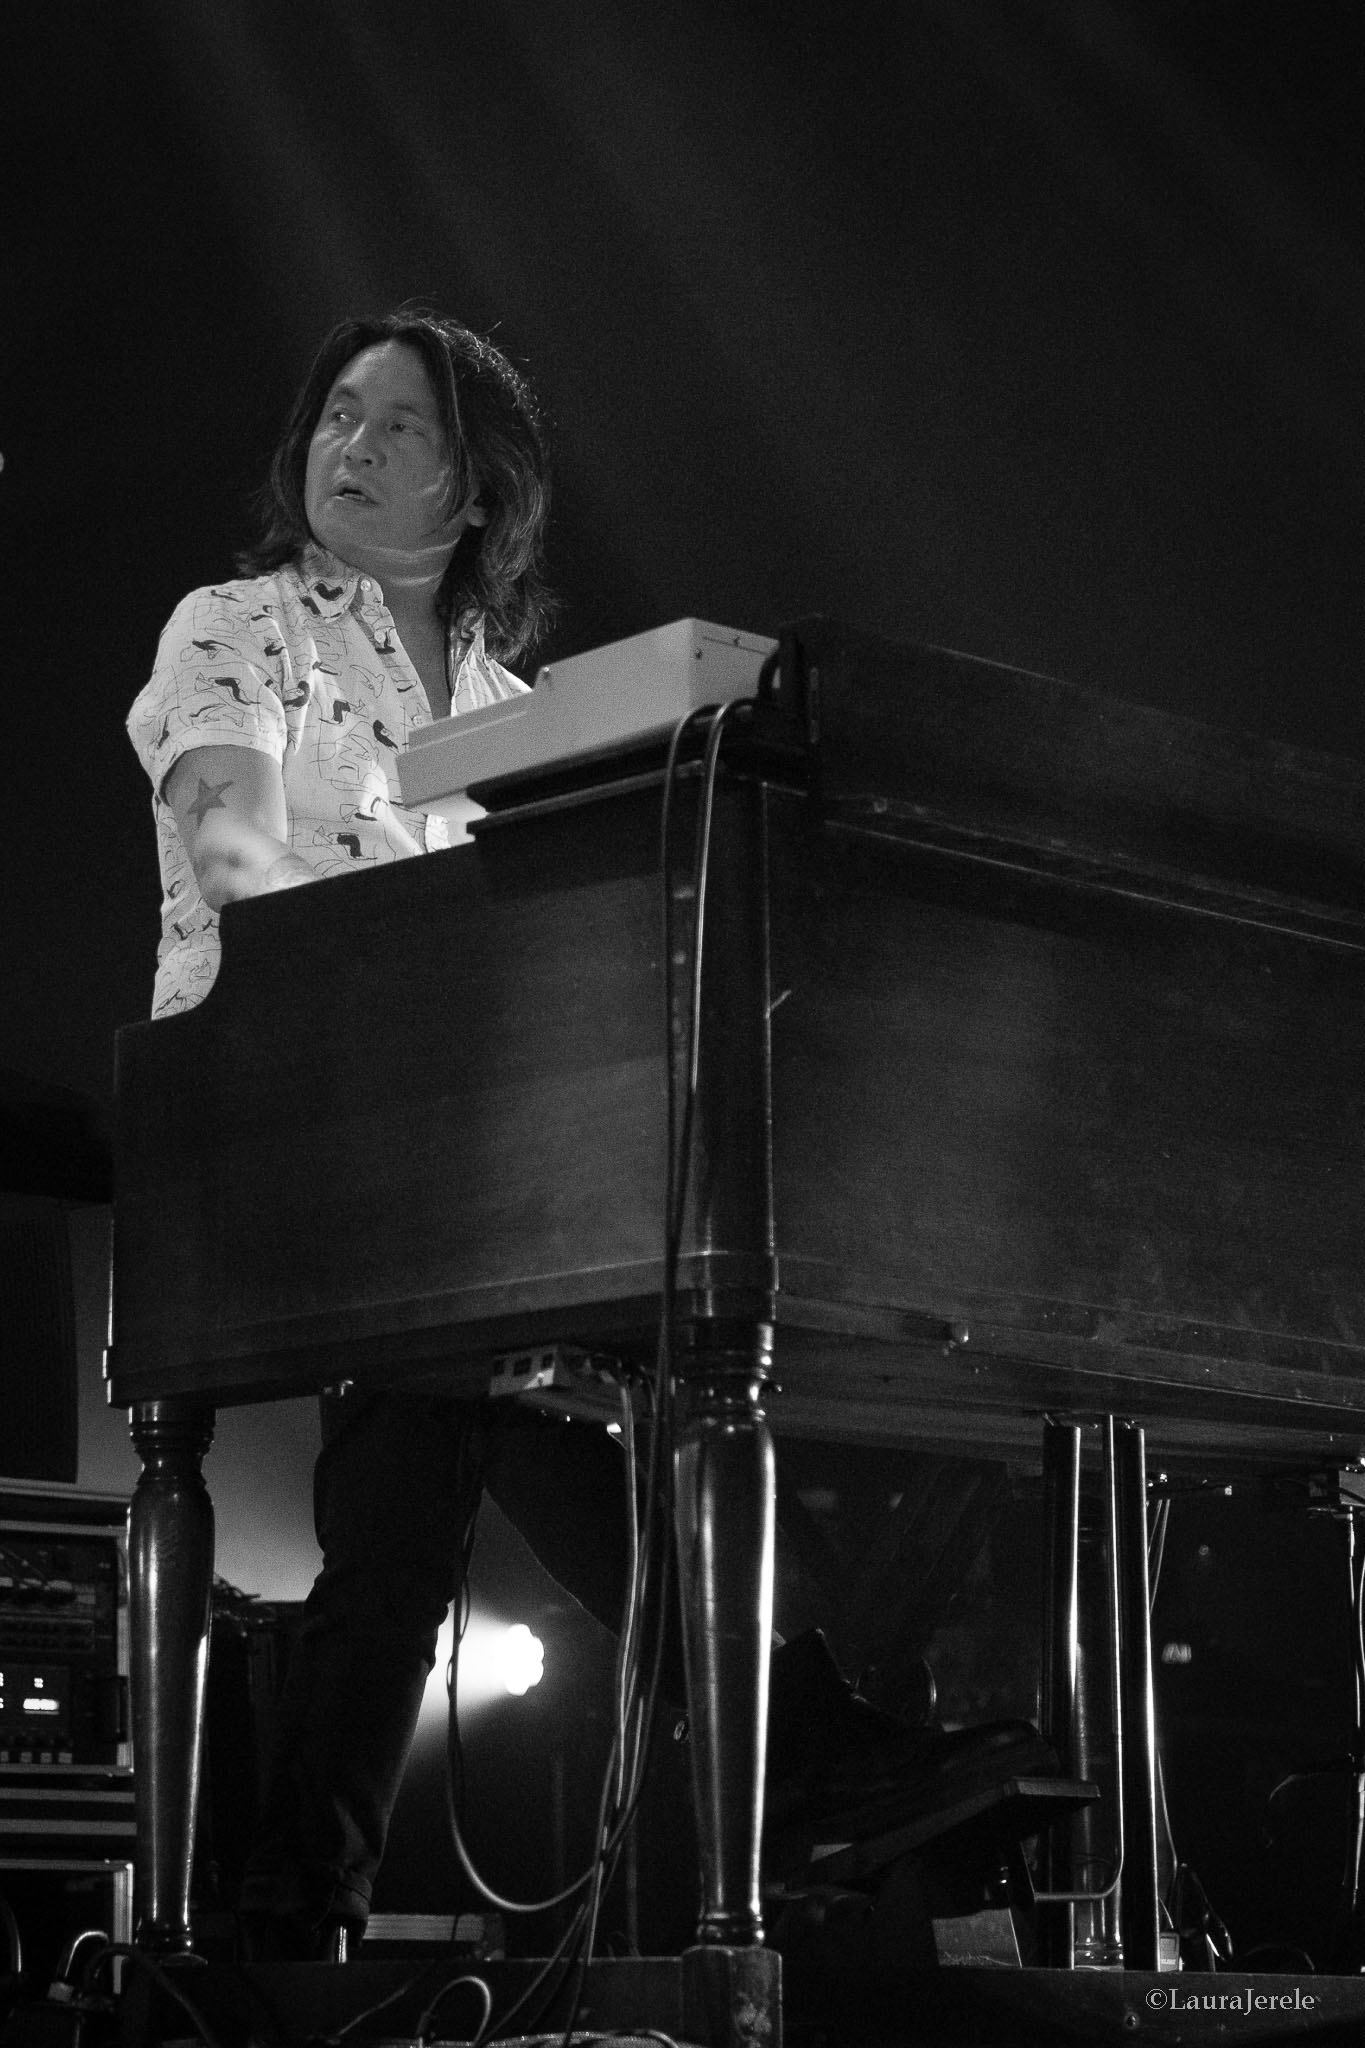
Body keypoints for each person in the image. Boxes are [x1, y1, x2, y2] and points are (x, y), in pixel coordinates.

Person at [127, 307, 1055, 1964]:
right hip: (266, 1110)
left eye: (399, 426)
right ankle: (804, 1754)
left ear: (479, 486)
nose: (350, 447)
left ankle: (294, 1911)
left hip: (455, 1154)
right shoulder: (238, 625)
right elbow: (237, 865)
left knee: (437, 1465)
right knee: (508, 1415)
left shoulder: (512, 704)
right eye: (336, 416)